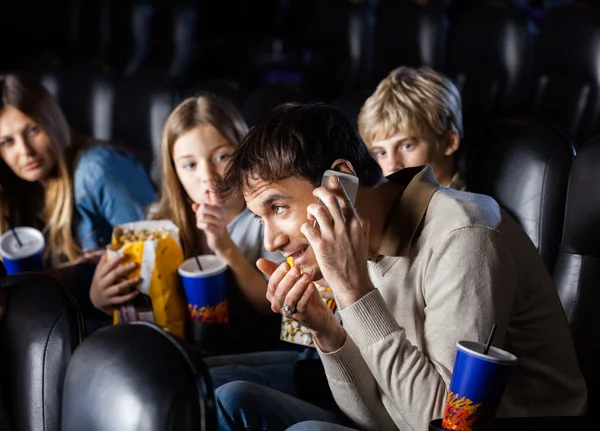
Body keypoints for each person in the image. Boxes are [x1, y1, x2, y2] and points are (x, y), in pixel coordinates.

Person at [214, 103, 587, 430]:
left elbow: (440, 423)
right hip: (406, 419)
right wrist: (326, 331)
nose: (270, 242)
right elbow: (374, 418)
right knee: (230, 399)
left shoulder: (465, 235)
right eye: (259, 218)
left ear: (340, 182)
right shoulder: (357, 244)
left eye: (278, 208)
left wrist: (354, 292)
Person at [89, 94, 296, 367]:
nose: (207, 177)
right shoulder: (158, 222)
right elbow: (145, 301)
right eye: (190, 165)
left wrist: (224, 246)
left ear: (244, 152)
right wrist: (100, 297)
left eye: (222, 156)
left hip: (250, 351)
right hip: (179, 349)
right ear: (174, 171)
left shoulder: (265, 218)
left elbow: (273, 306)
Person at [0, 73, 155, 287]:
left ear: (52, 122)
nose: (25, 151)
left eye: (33, 130)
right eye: (7, 142)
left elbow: (155, 257)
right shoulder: (20, 189)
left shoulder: (100, 171)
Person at [358, 66, 466, 190]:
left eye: (407, 146)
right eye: (382, 152)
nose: (392, 166)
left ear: (449, 142)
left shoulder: (473, 207)